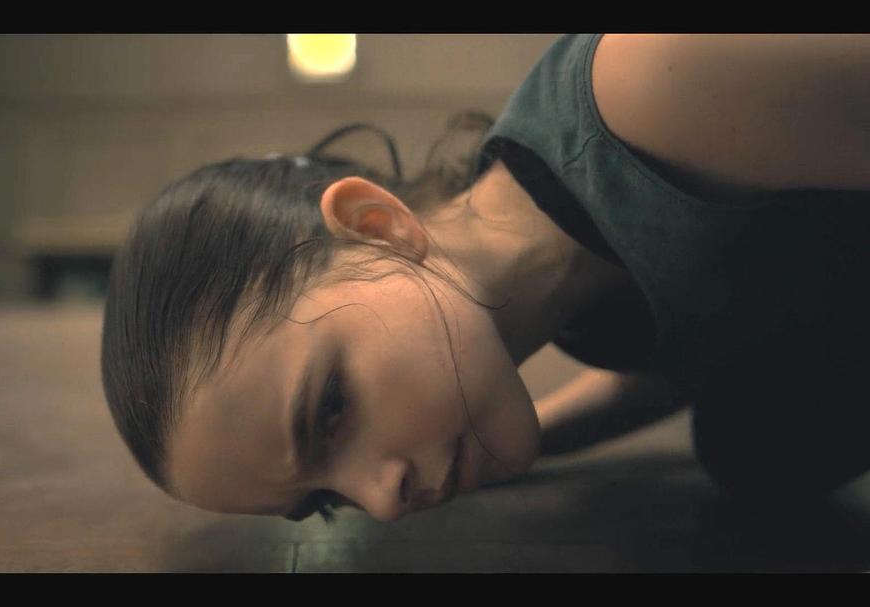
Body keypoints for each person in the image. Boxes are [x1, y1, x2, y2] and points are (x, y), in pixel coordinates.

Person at [100, 34, 870, 524]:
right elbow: (697, 336)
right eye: (326, 501)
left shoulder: (661, 84)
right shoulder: (570, 286)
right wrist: (545, 441)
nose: (384, 502)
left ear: (378, 226)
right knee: (752, 448)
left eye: (331, 410)